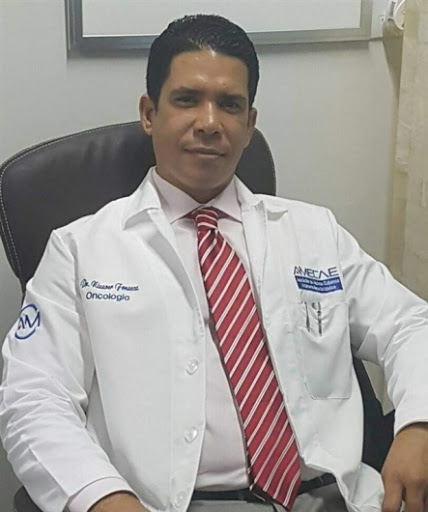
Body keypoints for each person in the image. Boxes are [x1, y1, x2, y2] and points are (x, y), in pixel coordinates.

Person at [1, 13, 428, 512]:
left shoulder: (314, 232)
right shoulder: (80, 249)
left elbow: (409, 324)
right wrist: (103, 498)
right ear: (149, 113)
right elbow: (34, 399)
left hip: (333, 495)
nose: (209, 123)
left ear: (249, 124)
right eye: (187, 99)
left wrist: (419, 424)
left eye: (229, 105)